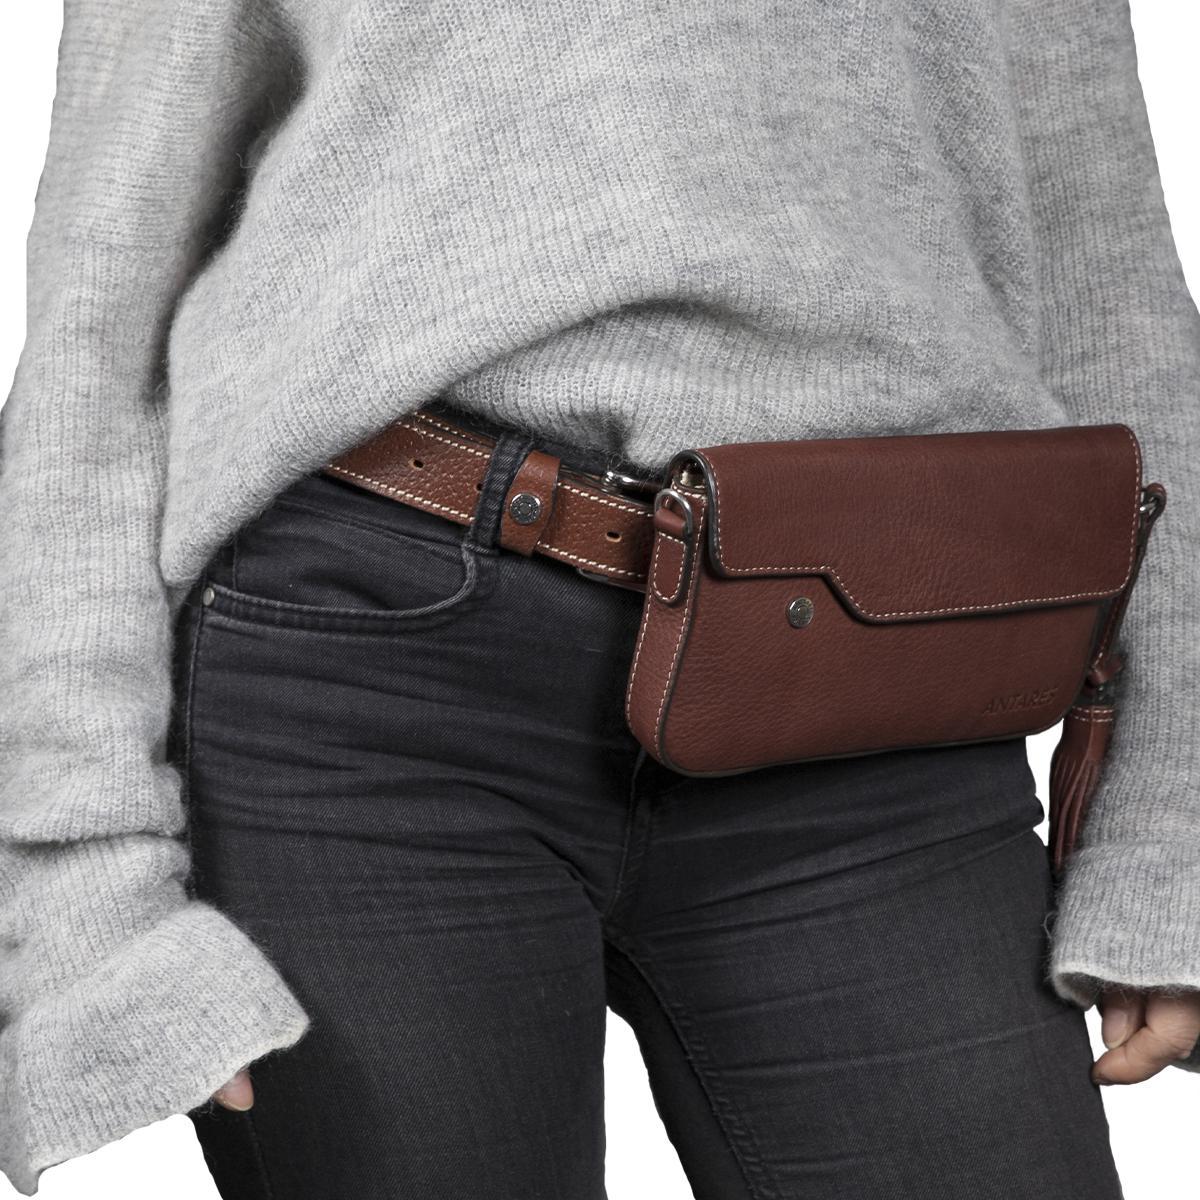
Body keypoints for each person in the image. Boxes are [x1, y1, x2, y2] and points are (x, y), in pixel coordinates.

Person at [1, 2, 1198, 1197]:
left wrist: (1175, 832)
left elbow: (1105, 271)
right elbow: (100, 325)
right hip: (370, 683)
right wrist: (78, 878)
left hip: (871, 671)